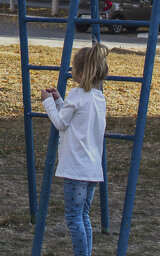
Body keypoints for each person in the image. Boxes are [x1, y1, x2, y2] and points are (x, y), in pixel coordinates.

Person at [41, 41, 108, 256]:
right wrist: (59, 100)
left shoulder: (77, 95)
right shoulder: (98, 98)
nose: (71, 70)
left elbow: (61, 123)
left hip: (75, 168)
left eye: (73, 67)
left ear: (80, 72)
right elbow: (72, 119)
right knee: (83, 215)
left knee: (73, 217)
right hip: (92, 169)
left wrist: (47, 103)